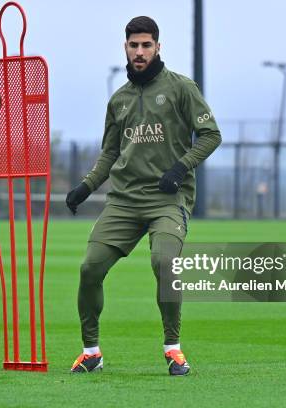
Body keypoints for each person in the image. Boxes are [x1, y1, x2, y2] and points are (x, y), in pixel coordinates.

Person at [66, 16, 221, 376]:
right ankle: (91, 353)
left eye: (146, 45)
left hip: (168, 199)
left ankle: (173, 349)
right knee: (89, 269)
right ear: (125, 47)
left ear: (157, 47)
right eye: (134, 45)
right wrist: (86, 186)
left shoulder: (182, 88)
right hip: (123, 200)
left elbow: (211, 134)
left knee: (164, 263)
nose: (140, 52)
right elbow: (109, 153)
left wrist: (180, 169)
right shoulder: (118, 100)